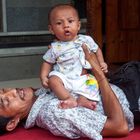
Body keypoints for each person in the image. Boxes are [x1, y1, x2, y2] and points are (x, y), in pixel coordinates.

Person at [0, 46, 134, 140]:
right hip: (133, 97)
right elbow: (119, 127)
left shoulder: (38, 97)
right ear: (12, 122)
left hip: (123, 80)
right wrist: (97, 71)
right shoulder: (54, 113)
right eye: (5, 102)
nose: (12, 91)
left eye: (2, 90)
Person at [40, 4, 108, 109]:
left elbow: (97, 50)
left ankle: (83, 99)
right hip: (64, 78)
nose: (66, 26)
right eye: (59, 23)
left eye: (70, 21)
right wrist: (43, 76)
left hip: (82, 77)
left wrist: (102, 62)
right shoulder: (55, 47)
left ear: (78, 25)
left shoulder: (86, 40)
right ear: (51, 29)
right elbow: (47, 62)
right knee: (53, 80)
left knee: (93, 83)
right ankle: (68, 98)